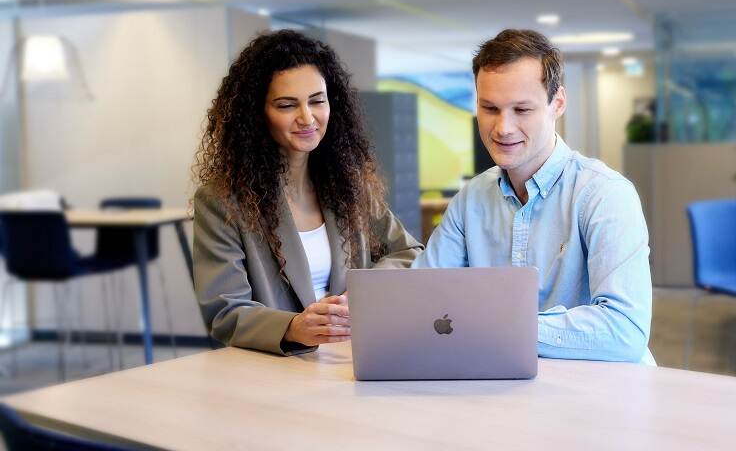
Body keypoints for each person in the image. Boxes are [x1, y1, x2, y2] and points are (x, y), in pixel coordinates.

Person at [414, 29, 654, 364]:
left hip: (598, 394)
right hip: (503, 384)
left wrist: (499, 327)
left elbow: (624, 330)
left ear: (558, 103)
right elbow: (421, 296)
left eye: (522, 110)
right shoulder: (470, 200)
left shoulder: (605, 195)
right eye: (490, 108)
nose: (503, 128)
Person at [192, 30, 422, 356]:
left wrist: (362, 291)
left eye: (317, 101)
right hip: (278, 368)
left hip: (356, 356)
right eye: (287, 105)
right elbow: (224, 312)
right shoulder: (222, 202)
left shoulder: (347, 185)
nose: (307, 117)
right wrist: (294, 327)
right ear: (257, 114)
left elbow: (410, 252)